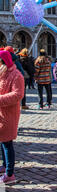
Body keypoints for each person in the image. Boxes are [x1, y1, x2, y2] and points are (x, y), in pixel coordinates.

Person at [0, 50, 24, 184]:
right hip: (1, 113)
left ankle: (10, 174)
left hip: (9, 114)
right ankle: (5, 166)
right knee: (2, 142)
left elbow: (18, 94)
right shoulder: (1, 73)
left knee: (7, 143)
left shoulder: (16, 75)